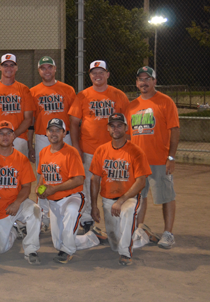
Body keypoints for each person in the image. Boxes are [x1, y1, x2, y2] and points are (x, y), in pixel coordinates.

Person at [89, 113, 159, 266]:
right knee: (114, 244)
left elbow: (141, 182)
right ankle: (142, 235)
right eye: (112, 125)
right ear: (108, 128)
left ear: (126, 128)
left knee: (127, 214)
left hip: (128, 198)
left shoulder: (136, 151)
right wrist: (94, 206)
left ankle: (125, 254)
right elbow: (95, 180)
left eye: (119, 125)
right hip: (108, 200)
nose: (116, 128)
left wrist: (121, 201)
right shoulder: (101, 150)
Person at [68, 60, 130, 233]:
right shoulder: (83, 96)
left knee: (115, 185)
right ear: (89, 76)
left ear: (108, 74)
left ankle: (116, 220)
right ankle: (87, 220)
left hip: (114, 151)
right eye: (94, 72)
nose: (97, 75)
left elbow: (128, 124)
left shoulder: (119, 95)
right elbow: (74, 123)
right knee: (88, 185)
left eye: (101, 72)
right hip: (89, 150)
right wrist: (76, 147)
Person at [36, 118, 107, 264]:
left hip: (72, 197)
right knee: (58, 244)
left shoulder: (71, 152)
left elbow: (79, 180)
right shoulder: (44, 152)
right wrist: (39, 188)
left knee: (71, 215)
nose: (54, 133)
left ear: (64, 133)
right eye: (51, 130)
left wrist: (54, 188)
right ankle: (92, 237)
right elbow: (43, 176)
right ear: (46, 133)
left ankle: (67, 252)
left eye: (58, 130)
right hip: (54, 202)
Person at [0, 121, 41, 264]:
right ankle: (15, 229)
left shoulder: (21, 159)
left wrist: (17, 203)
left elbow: (27, 187)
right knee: (0, 249)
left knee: (35, 210)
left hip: (16, 204)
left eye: (9, 133)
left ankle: (31, 249)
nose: (5, 136)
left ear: (13, 136)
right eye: (1, 133)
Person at [128, 66, 180, 249]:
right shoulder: (132, 106)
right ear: (136, 83)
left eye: (147, 79)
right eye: (140, 79)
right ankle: (139, 231)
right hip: (138, 162)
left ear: (154, 81)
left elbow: (174, 130)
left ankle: (168, 233)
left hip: (159, 160)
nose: (144, 82)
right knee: (139, 198)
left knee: (166, 196)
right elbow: (128, 136)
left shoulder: (165, 102)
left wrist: (171, 158)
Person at [29, 56, 77, 232]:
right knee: (44, 176)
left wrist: (75, 142)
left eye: (50, 67)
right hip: (43, 136)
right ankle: (42, 214)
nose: (46, 71)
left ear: (55, 69)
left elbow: (74, 118)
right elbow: (32, 120)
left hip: (65, 135)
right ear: (39, 71)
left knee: (66, 174)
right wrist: (30, 144)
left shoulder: (67, 89)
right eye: (43, 68)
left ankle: (66, 209)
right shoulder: (33, 91)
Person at [0, 53, 35, 157]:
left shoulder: (24, 90)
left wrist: (14, 135)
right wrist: (0, 135)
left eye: (12, 65)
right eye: (5, 65)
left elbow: (28, 118)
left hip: (19, 137)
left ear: (16, 68)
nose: (8, 68)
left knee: (18, 171)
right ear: (0, 67)